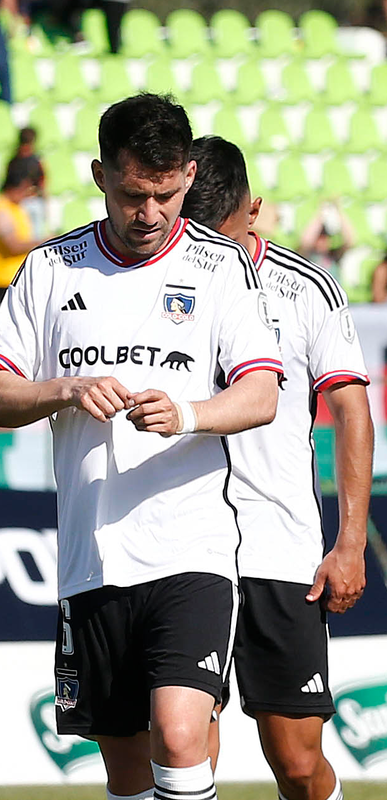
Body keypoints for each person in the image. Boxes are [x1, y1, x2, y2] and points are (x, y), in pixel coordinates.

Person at [0, 93, 283, 800]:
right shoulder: (52, 270)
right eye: (133, 194)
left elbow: (261, 394)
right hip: (92, 559)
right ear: (99, 176)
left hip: (192, 549)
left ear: (189, 175)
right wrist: (64, 390)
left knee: (179, 732)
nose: (150, 215)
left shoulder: (220, 267)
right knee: (125, 769)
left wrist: (190, 413)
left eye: (167, 196)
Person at [183, 136, 371, 800]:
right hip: (184, 547)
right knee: (183, 745)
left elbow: (352, 412)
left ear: (254, 210)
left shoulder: (305, 287)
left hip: (279, 547)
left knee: (295, 760)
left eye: (225, 235)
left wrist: (349, 544)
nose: (214, 253)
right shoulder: (165, 281)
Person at [0, 158, 43, 301]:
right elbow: (13, 245)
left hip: (17, 279)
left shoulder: (17, 209)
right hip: (2, 282)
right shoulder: (0, 210)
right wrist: (44, 242)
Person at [299, 200, 356, 281]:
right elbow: (305, 241)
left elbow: (350, 239)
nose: (322, 242)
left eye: (324, 238)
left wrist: (339, 210)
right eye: (319, 238)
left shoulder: (334, 256)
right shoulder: (308, 255)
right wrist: (320, 213)